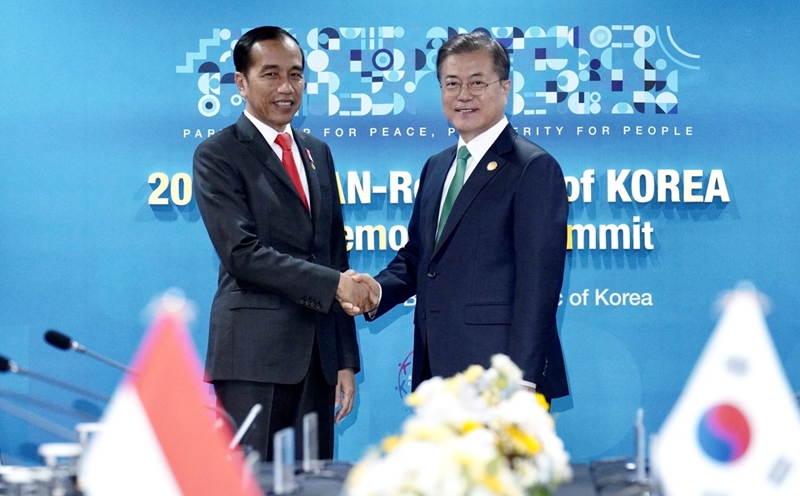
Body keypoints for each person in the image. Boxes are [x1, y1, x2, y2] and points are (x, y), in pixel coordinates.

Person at [345, 32, 569, 402]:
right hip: (437, 373)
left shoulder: (533, 168)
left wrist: (523, 381)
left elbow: (539, 286)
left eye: (477, 82)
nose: (464, 95)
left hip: (501, 380)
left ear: (505, 87)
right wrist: (377, 291)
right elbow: (419, 257)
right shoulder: (437, 167)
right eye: (452, 84)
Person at [193, 26, 375, 460]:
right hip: (253, 357)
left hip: (318, 359)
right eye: (270, 74)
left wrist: (344, 359)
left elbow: (334, 255)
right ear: (241, 83)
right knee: (251, 484)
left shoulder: (318, 151)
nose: (286, 87)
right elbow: (242, 254)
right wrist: (333, 283)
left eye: (295, 75)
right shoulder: (218, 155)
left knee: (316, 482)